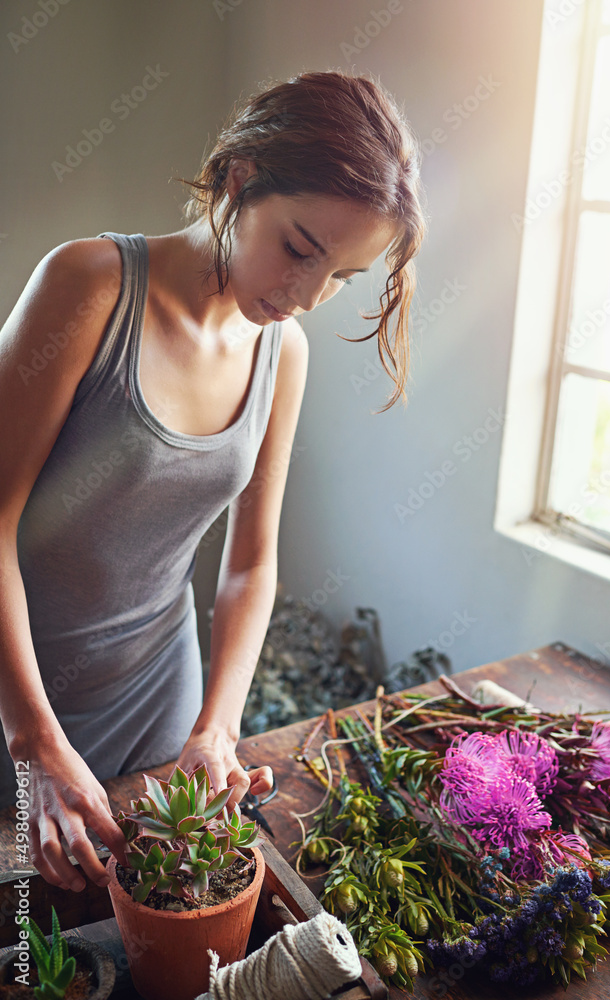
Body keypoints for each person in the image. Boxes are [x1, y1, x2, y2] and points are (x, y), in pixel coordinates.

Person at [0, 70, 425, 894]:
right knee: (21, 939)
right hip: (16, 693)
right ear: (238, 178)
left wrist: (218, 729)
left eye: (339, 276)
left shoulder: (281, 354)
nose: (304, 296)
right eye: (299, 248)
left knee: (149, 929)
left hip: (161, 690)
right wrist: (34, 744)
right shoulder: (88, 286)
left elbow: (248, 564)